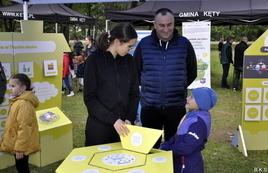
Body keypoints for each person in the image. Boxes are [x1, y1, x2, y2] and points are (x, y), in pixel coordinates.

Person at [133, 8, 197, 148]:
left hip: (175, 108)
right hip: (150, 108)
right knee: (150, 148)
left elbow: (192, 72)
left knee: (173, 147)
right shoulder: (144, 45)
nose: (166, 29)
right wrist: (148, 87)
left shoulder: (184, 44)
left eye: (170, 24)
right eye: (162, 25)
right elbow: (136, 72)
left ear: (174, 24)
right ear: (154, 25)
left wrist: (178, 86)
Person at [83, 22, 140, 146]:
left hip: (124, 127)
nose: (130, 50)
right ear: (117, 41)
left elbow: (134, 93)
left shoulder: (129, 61)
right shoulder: (94, 60)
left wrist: (129, 118)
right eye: (129, 46)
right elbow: (90, 98)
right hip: (99, 126)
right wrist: (113, 120)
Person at [159, 87, 217, 173]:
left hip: (188, 165)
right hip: (180, 161)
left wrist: (168, 150)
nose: (187, 98)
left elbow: (186, 147)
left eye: (192, 97)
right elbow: (177, 135)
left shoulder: (198, 123)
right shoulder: (190, 116)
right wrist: (165, 145)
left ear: (200, 103)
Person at [0, 73, 40, 173]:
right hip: (18, 142)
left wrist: (20, 149)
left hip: (22, 145)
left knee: (22, 168)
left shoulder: (23, 103)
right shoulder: (18, 101)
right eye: (10, 85)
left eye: (13, 86)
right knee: (21, 167)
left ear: (23, 87)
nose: (10, 88)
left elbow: (24, 127)